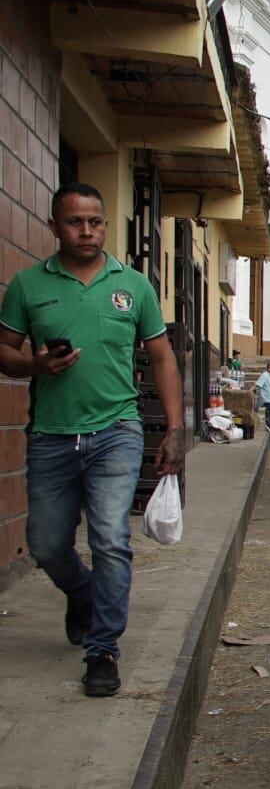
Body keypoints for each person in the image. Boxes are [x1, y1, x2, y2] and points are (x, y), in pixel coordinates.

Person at [0, 183, 185, 697]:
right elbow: (4, 350)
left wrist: (175, 428)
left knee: (110, 538)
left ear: (105, 224)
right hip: (51, 436)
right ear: (55, 226)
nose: (87, 231)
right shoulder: (28, 285)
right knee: (46, 545)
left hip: (116, 431)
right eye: (75, 222)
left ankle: (102, 649)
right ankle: (81, 593)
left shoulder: (133, 286)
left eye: (95, 222)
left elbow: (162, 357)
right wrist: (36, 365)